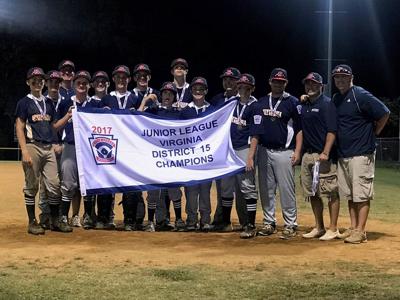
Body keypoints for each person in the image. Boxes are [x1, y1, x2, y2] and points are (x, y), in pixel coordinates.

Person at [331, 64, 390, 244]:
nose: (340, 80)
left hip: (361, 153)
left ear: (351, 78)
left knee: (361, 194)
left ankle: (361, 231)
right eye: (337, 77)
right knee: (350, 194)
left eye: (344, 76)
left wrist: (375, 132)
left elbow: (384, 113)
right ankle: (353, 227)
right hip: (344, 154)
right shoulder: (336, 98)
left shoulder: (360, 94)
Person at [248, 68, 302, 239]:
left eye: (281, 81)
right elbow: (255, 131)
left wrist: (298, 151)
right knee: (266, 189)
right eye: (275, 81)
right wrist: (252, 154)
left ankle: (290, 224)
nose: (278, 84)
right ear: (270, 82)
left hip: (284, 152)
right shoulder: (261, 103)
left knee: (287, 189)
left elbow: (300, 130)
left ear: (285, 83)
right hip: (264, 151)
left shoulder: (292, 102)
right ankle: (268, 222)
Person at [15, 67, 62, 234]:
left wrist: (68, 116)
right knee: (32, 185)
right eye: (33, 80)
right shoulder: (24, 102)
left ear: (44, 82)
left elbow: (54, 126)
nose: (37, 82)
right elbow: (20, 127)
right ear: (28, 82)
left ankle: (55, 220)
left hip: (48, 147)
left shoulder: (48, 103)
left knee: (54, 185)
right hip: (32, 146)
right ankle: (32, 222)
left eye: (40, 80)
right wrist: (24, 151)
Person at [54, 70, 101, 232]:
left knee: (88, 183)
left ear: (89, 85)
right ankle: (63, 217)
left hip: (89, 149)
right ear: (74, 85)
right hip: (70, 146)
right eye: (78, 83)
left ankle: (87, 216)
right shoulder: (66, 102)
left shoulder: (94, 105)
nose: (82, 85)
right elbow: (55, 126)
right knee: (67, 183)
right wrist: (57, 142)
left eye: (85, 83)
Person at [99, 65, 143, 231]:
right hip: (109, 147)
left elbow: (141, 121)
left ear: (129, 79)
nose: (121, 80)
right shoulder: (107, 99)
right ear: (113, 79)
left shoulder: (134, 98)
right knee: (107, 182)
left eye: (124, 77)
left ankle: (129, 220)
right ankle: (104, 218)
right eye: (118, 77)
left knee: (129, 184)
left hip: (129, 148)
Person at [138, 82, 185, 232]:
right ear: (161, 95)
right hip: (155, 157)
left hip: (172, 157)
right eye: (165, 93)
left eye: (170, 94)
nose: (167, 96)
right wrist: (145, 101)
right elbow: (137, 118)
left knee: (174, 190)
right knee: (153, 191)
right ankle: (150, 222)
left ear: (174, 97)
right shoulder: (153, 110)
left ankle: (178, 220)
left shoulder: (179, 113)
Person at [299, 72, 341, 241]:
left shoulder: (327, 104)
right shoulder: (305, 104)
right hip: (308, 156)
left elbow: (332, 131)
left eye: (314, 84)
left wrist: (325, 152)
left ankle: (333, 228)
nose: (310, 86)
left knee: (330, 192)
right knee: (312, 193)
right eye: (308, 84)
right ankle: (319, 227)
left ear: (321, 87)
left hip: (322, 155)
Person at [219, 73, 259, 238]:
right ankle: (226, 223)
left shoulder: (255, 106)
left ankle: (250, 225)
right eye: (240, 86)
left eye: (247, 87)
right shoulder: (231, 103)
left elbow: (256, 133)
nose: (243, 90)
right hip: (229, 150)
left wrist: (250, 156)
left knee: (247, 186)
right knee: (226, 186)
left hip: (245, 149)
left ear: (252, 89)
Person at [181, 77, 215, 231]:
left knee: (205, 189)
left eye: (201, 89)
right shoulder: (185, 111)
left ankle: (205, 219)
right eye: (195, 89)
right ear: (191, 91)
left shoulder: (212, 110)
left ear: (206, 91)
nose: (198, 91)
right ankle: (191, 218)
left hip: (206, 156)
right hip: (189, 156)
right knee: (191, 190)